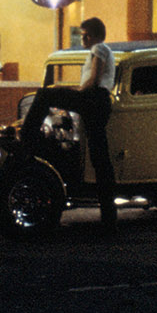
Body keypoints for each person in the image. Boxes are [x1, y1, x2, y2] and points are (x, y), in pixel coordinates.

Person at [18, 16, 117, 229]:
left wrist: (78, 92)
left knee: (46, 95)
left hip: (93, 98)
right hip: (100, 101)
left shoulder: (99, 48)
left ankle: (27, 135)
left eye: (85, 34)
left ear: (95, 35)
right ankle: (109, 215)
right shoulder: (105, 50)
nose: (83, 38)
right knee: (100, 155)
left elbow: (95, 78)